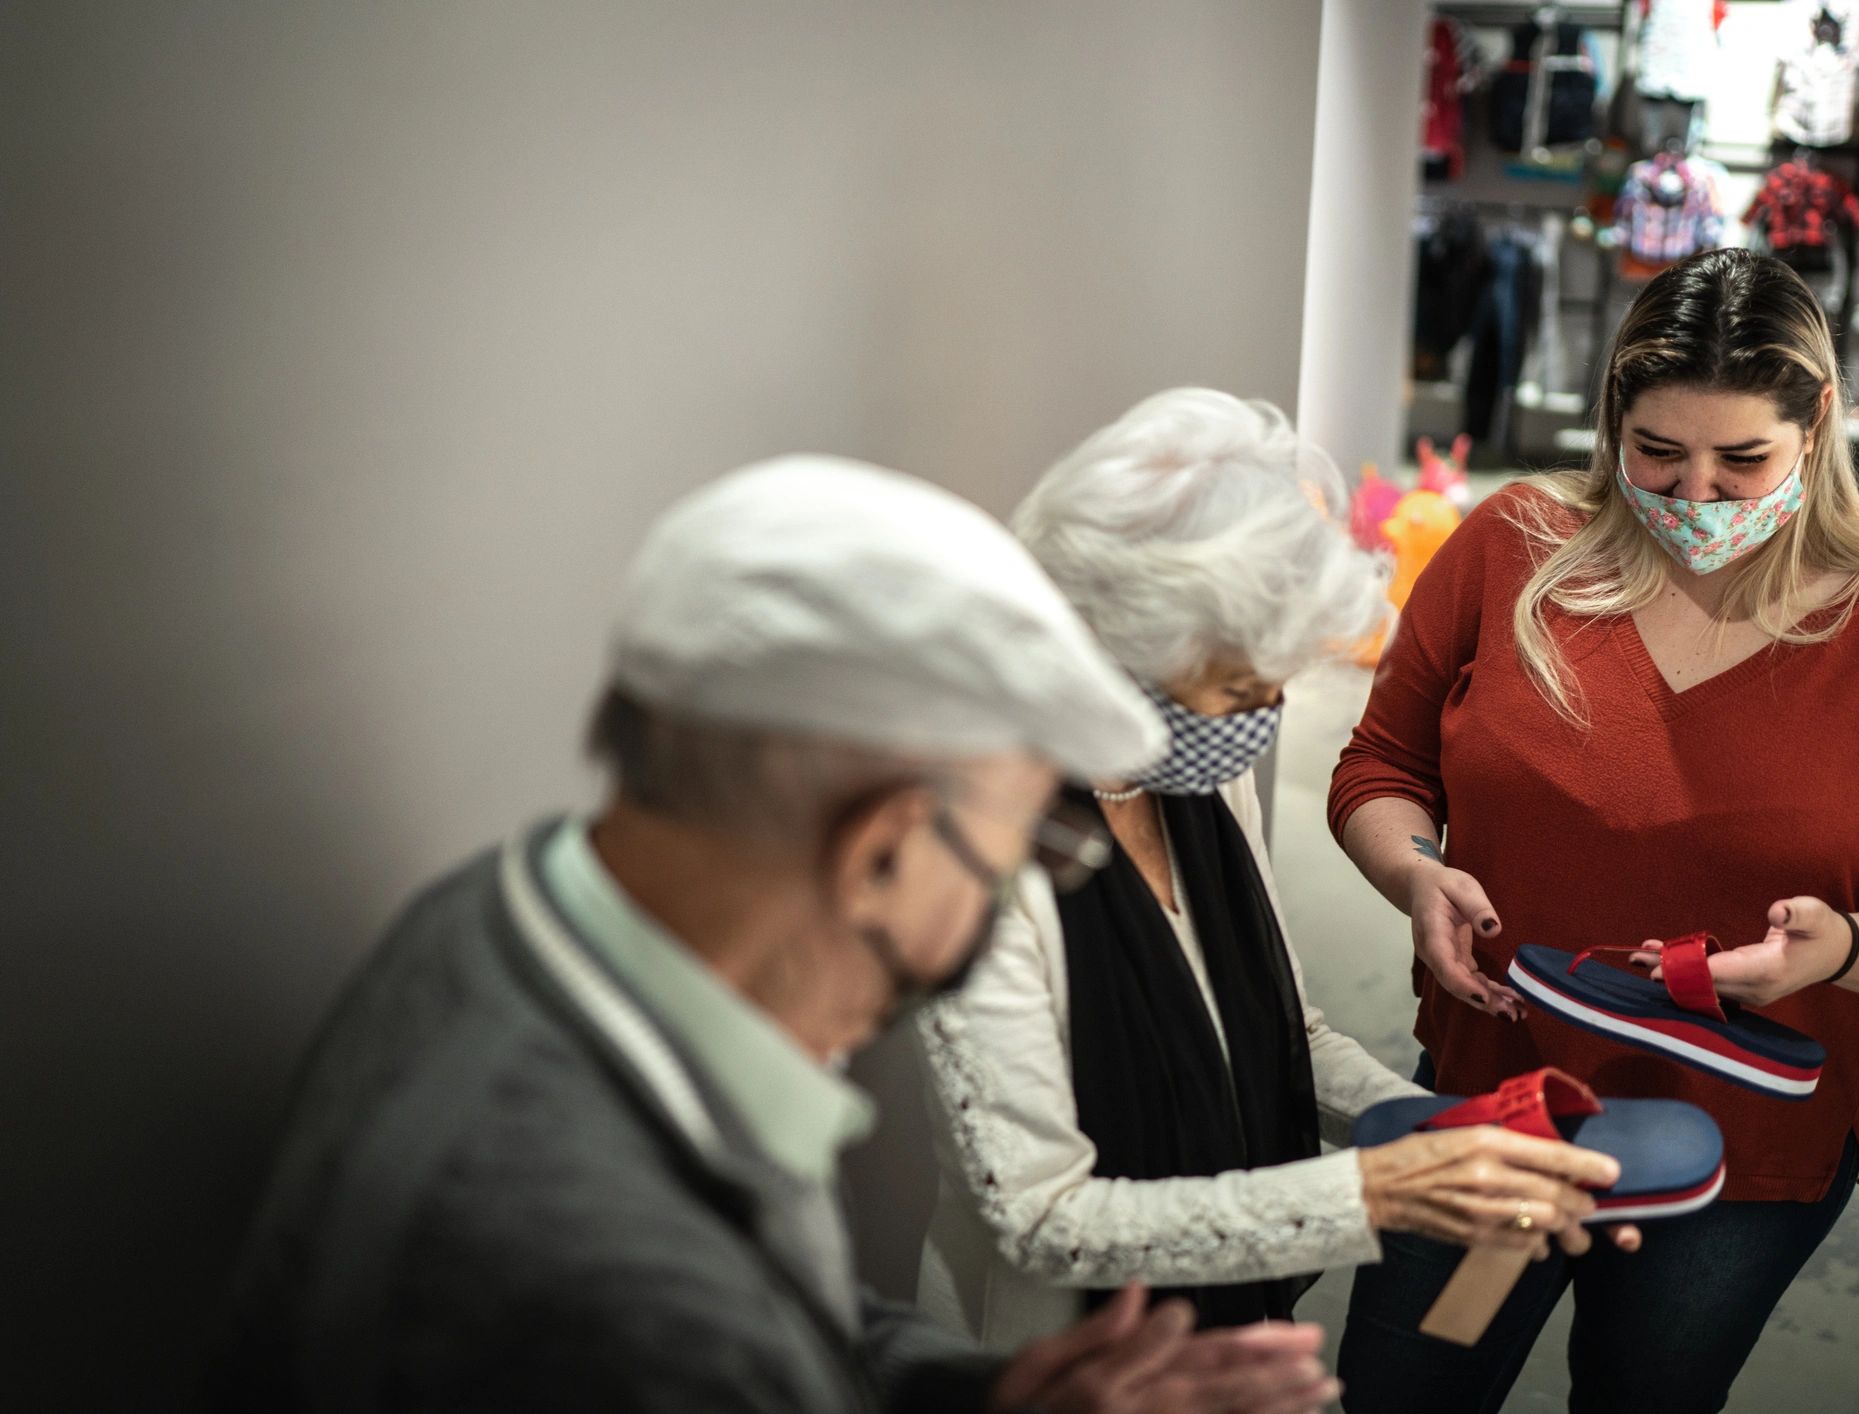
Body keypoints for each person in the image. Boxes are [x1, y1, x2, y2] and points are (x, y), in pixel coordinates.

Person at [204, 455, 1344, 1414]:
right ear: (881, 853)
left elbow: (782, 1302)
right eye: (1011, 860)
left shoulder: (487, 920)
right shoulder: (627, 1309)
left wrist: (991, 1394)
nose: (1005, 903)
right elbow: (714, 1329)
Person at [1328, 250, 1859, 1413]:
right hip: (1496, 1096)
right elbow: (1381, 766)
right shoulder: (1515, 543)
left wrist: (1844, 949)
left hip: (1740, 1152)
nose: (1695, 495)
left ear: (1813, 427)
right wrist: (1412, 871)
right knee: (1404, 1389)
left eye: (1739, 459)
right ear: (1613, 416)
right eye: (1656, 452)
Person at [915, 388, 1634, 1354]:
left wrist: (1449, 1139)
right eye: (1240, 687)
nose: (1264, 716)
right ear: (1113, 652)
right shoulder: (980, 859)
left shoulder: (1196, 780)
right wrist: (1374, 1191)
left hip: (1232, 1325)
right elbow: (1039, 1218)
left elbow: (1288, 1034)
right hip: (1067, 1358)